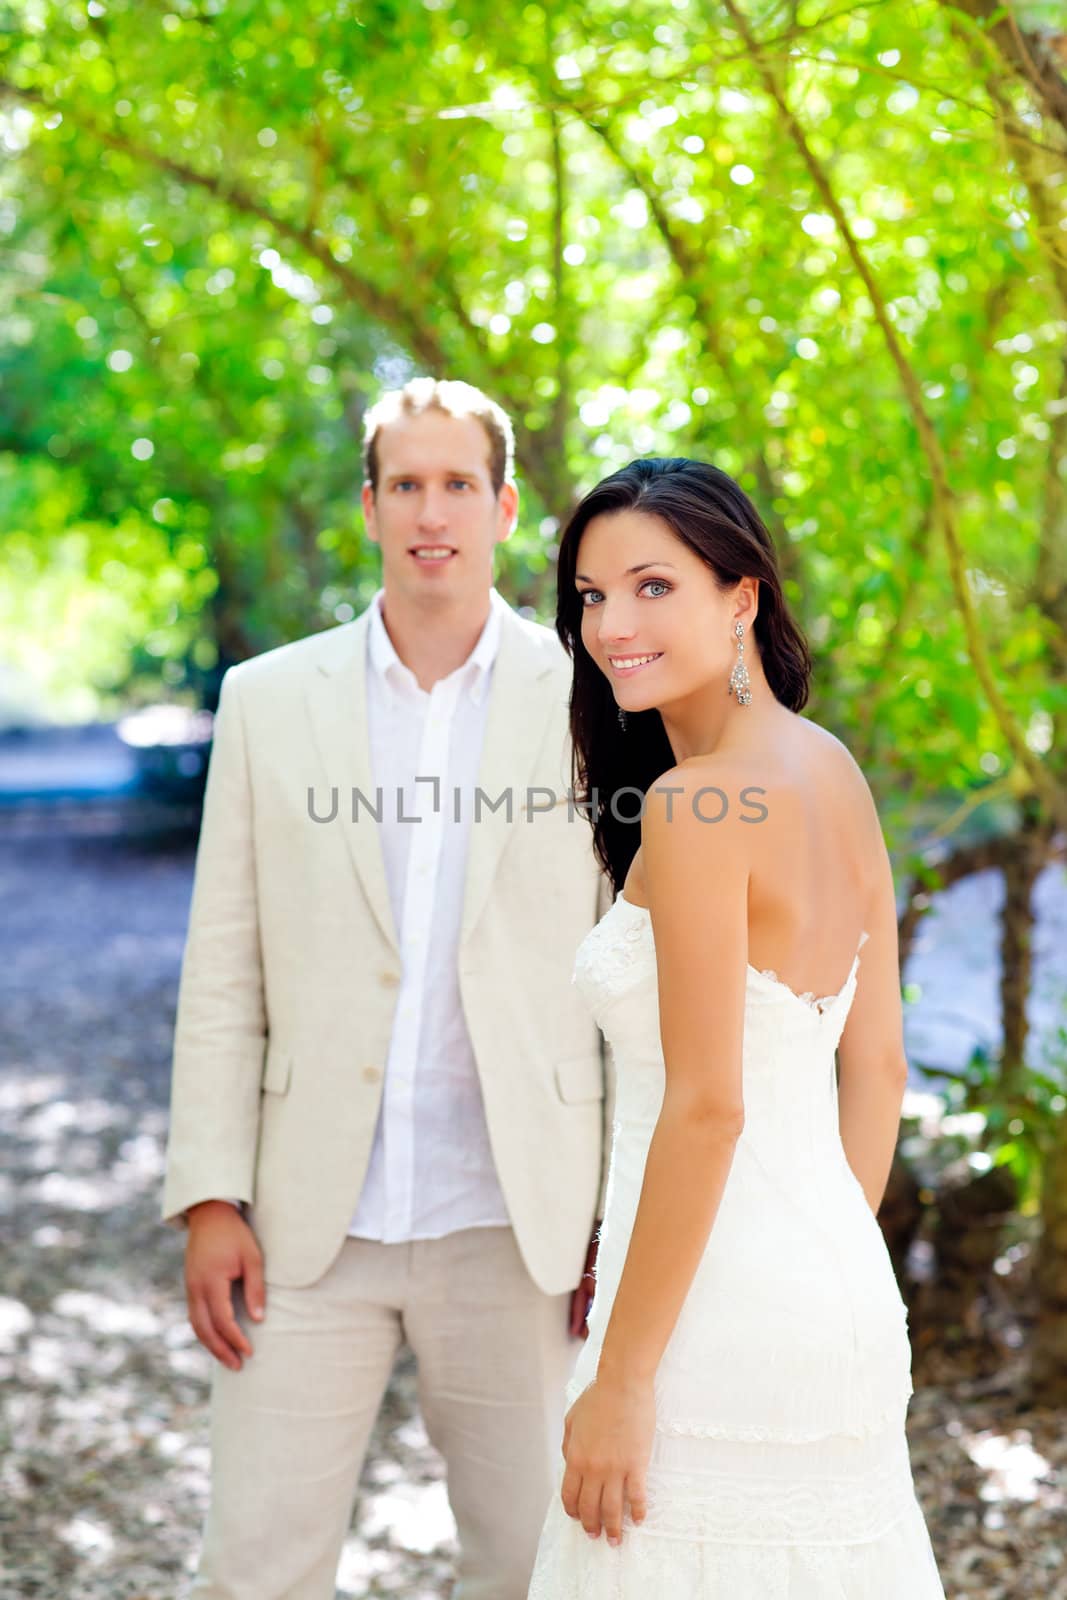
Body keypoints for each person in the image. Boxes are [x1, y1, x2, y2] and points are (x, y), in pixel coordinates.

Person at [162, 378, 613, 1600]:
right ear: (367, 508)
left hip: (517, 1223)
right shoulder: (265, 702)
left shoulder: (592, 699)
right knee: (256, 1567)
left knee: (534, 1569)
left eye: (457, 483)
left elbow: (624, 976)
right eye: (404, 483)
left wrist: (610, 1215)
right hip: (303, 1229)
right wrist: (210, 1193)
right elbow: (224, 965)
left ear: (505, 506)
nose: (432, 510)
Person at [527, 457, 945, 1595]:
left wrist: (620, 1376)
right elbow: (878, 1062)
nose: (611, 623)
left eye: (652, 586)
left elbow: (708, 1108)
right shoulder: (832, 772)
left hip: (703, 1321)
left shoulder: (691, 805)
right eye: (590, 596)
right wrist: (817, 1245)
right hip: (832, 1289)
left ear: (741, 596)